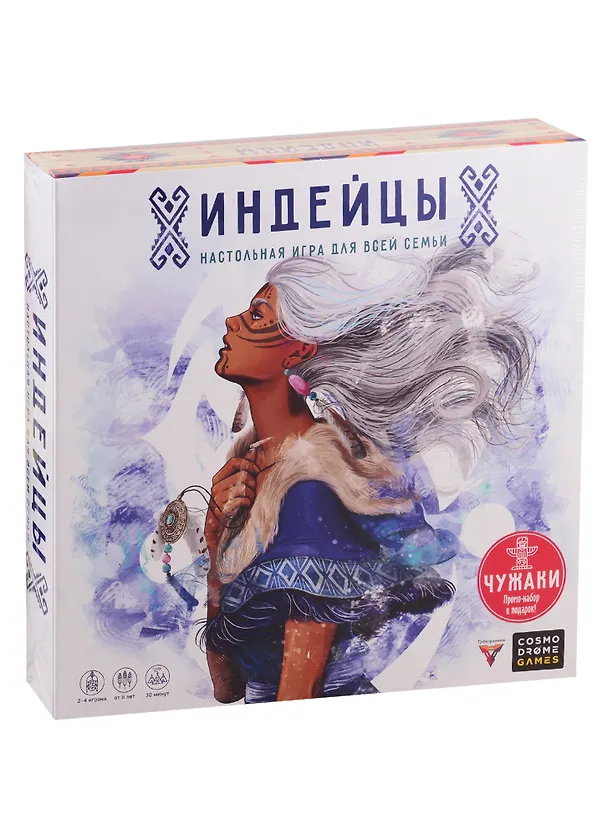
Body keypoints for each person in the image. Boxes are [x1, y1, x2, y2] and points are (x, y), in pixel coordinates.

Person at [198, 245, 535, 703]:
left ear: (298, 349)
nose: (232, 321)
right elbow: (226, 689)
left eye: (256, 316)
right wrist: (216, 541)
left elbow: (299, 695)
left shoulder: (309, 492)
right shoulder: (251, 473)